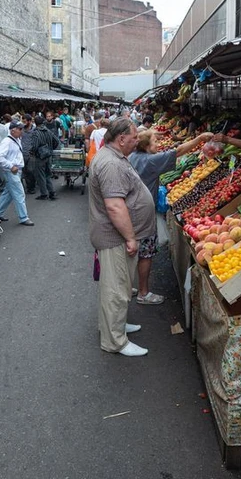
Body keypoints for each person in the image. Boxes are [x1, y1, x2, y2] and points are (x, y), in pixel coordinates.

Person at [88, 118, 156, 357]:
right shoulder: (111, 164)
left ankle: (114, 326)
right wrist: (130, 237)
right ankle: (115, 341)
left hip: (116, 236)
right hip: (115, 237)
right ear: (121, 139)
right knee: (115, 289)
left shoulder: (113, 157)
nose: (137, 140)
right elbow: (115, 206)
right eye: (134, 136)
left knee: (116, 286)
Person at [128, 129, 213, 304]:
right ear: (146, 145)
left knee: (131, 250)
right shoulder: (150, 161)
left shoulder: (133, 156)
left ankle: (127, 287)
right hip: (144, 213)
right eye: (154, 141)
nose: (158, 145)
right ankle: (144, 293)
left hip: (130, 209)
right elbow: (179, 152)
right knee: (146, 253)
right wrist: (199, 138)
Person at [0, 121, 34, 226]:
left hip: (15, 171)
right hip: (11, 172)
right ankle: (23, 217)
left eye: (22, 129)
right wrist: (11, 166)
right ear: (13, 130)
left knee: (8, 194)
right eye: (20, 129)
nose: (22, 131)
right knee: (20, 194)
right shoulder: (7, 141)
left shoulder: (16, 139)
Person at [32, 115, 59, 201]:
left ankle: (44, 194)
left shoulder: (36, 132)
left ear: (35, 123)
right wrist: (50, 149)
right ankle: (51, 192)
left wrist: (33, 151)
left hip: (40, 156)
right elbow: (56, 141)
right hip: (48, 155)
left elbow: (35, 146)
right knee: (48, 174)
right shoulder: (48, 130)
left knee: (41, 175)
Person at [20, 114, 38, 195]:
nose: (23, 123)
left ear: (30, 121)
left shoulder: (35, 130)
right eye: (22, 121)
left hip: (31, 154)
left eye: (25, 121)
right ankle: (28, 187)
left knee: (31, 171)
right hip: (22, 153)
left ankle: (32, 187)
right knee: (25, 171)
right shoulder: (21, 129)